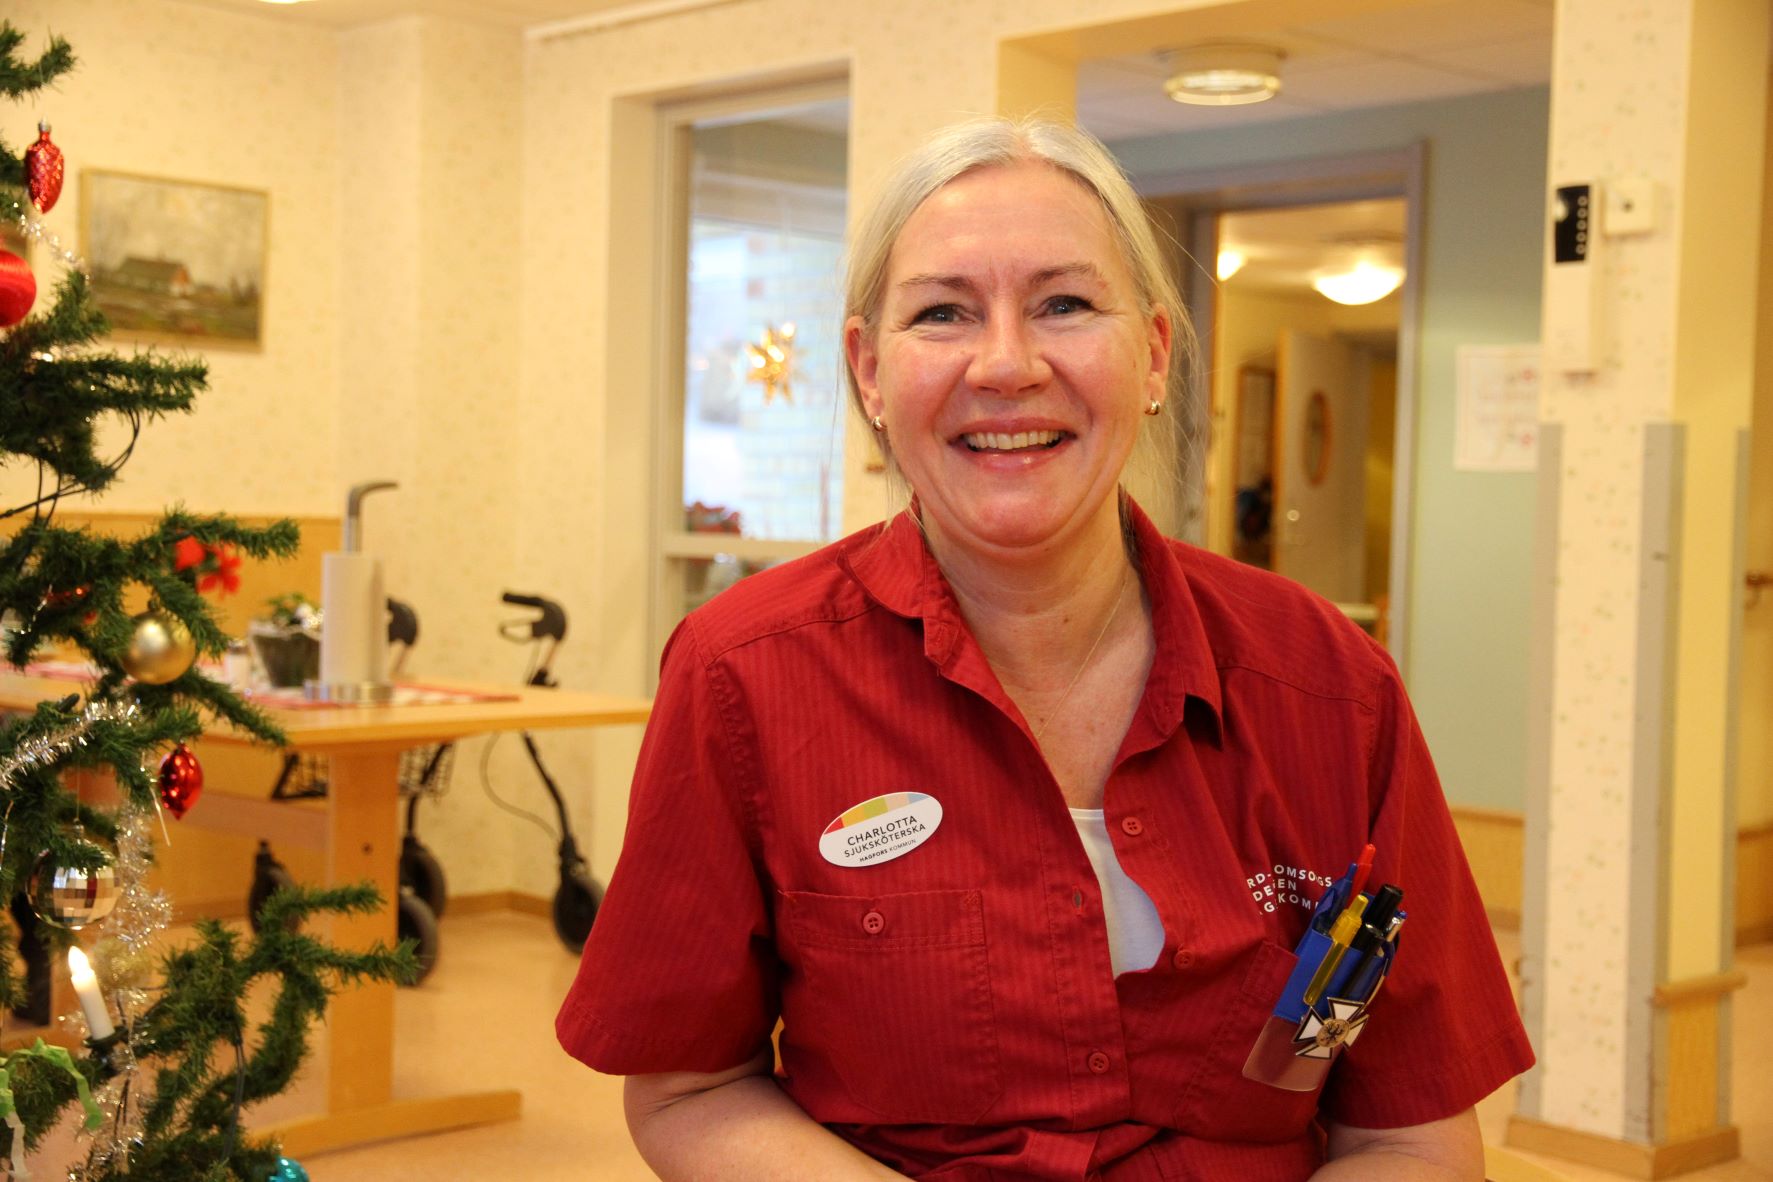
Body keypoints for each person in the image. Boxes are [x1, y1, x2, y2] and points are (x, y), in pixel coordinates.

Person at [557, 116, 1532, 1181]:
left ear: (1152, 355)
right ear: (869, 371)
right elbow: (691, 1089)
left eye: (1063, 304)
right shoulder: (743, 672)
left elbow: (1409, 1135)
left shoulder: (1330, 687)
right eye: (943, 312)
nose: (1006, 364)